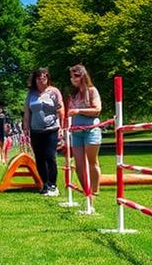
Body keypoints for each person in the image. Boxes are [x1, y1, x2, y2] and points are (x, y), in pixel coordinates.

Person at [23, 68, 63, 196]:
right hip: (36, 130)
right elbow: (27, 112)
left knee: (50, 156)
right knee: (39, 158)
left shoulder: (54, 92)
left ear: (48, 78)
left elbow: (61, 109)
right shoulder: (31, 94)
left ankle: (53, 185)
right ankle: (45, 184)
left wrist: (62, 126)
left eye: (44, 77)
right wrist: (26, 127)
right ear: (35, 79)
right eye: (39, 77)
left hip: (51, 129)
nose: (42, 79)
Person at [67, 64, 103, 197]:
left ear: (83, 76)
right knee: (79, 165)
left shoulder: (92, 91)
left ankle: (95, 191)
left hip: (91, 130)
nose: (73, 79)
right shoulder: (75, 94)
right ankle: (86, 192)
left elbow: (97, 110)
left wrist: (78, 110)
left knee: (92, 161)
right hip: (76, 132)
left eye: (75, 76)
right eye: (71, 77)